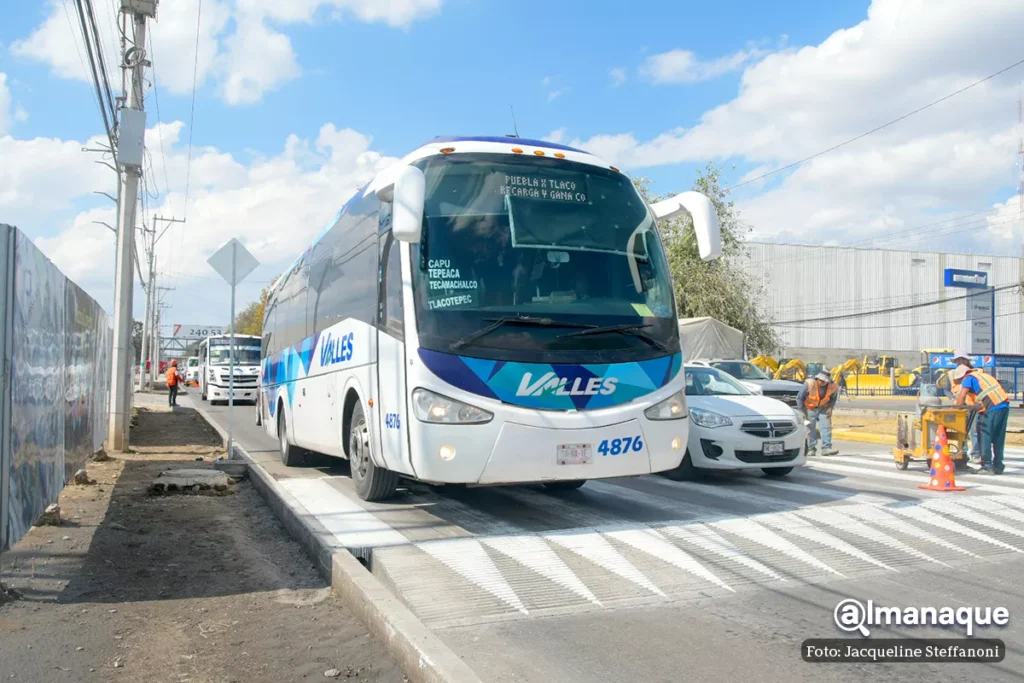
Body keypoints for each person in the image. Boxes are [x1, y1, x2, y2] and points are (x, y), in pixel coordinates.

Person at [951, 363, 1010, 475]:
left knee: (984, 434)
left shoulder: (968, 378)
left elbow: (962, 396)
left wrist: (957, 408)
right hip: (1004, 405)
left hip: (991, 407)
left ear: (962, 376)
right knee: (998, 437)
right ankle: (998, 465)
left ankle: (987, 466)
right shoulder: (983, 375)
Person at [949, 349, 982, 463]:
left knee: (974, 431)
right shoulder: (954, 373)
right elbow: (955, 391)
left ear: (965, 360)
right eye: (958, 360)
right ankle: (962, 453)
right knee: (961, 431)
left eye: (961, 360)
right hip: (961, 406)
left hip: (973, 406)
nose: (959, 362)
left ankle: (976, 454)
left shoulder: (973, 374)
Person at [798, 370, 839, 456]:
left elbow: (833, 398)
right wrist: (802, 411)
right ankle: (811, 449)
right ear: (817, 378)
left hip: (824, 408)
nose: (821, 382)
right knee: (810, 429)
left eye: (824, 381)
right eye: (820, 380)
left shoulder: (833, 385)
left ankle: (826, 448)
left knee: (826, 427)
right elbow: (799, 398)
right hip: (810, 409)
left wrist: (830, 408)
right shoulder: (809, 383)